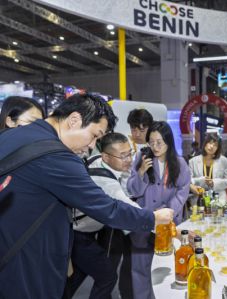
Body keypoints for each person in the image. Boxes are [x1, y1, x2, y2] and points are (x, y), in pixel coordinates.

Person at [0, 94, 174, 299]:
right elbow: (107, 208)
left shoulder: (10, 136)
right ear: (74, 120)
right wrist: (153, 218)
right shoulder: (58, 157)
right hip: (27, 267)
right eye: (94, 135)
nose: (92, 146)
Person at [67, 132, 138, 299]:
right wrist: (168, 229)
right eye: (123, 156)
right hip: (78, 235)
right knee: (107, 276)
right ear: (106, 157)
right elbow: (130, 209)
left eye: (130, 153)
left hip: (86, 232)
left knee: (79, 275)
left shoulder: (98, 160)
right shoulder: (104, 181)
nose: (129, 159)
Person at [127, 121, 190, 299]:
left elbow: (182, 190)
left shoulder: (179, 163)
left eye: (159, 142)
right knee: (140, 268)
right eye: (151, 142)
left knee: (165, 267)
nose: (155, 146)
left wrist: (169, 211)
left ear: (169, 142)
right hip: (143, 221)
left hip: (167, 224)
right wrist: (140, 173)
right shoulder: (142, 158)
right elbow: (133, 190)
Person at [189, 133, 227, 204]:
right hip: (199, 199)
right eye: (210, 143)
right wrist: (201, 180)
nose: (211, 146)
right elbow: (188, 181)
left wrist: (213, 182)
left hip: (219, 199)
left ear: (218, 148)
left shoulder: (224, 161)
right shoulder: (192, 161)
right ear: (205, 143)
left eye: (215, 145)